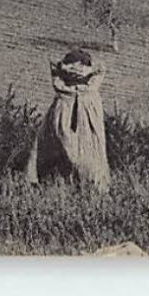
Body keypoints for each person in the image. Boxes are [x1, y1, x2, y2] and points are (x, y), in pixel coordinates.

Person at [24, 48, 111, 191]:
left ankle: (68, 182)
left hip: (72, 116)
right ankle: (85, 183)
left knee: (72, 151)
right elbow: (100, 68)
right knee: (84, 154)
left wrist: (62, 67)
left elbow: (55, 66)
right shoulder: (90, 90)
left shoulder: (63, 90)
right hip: (77, 118)